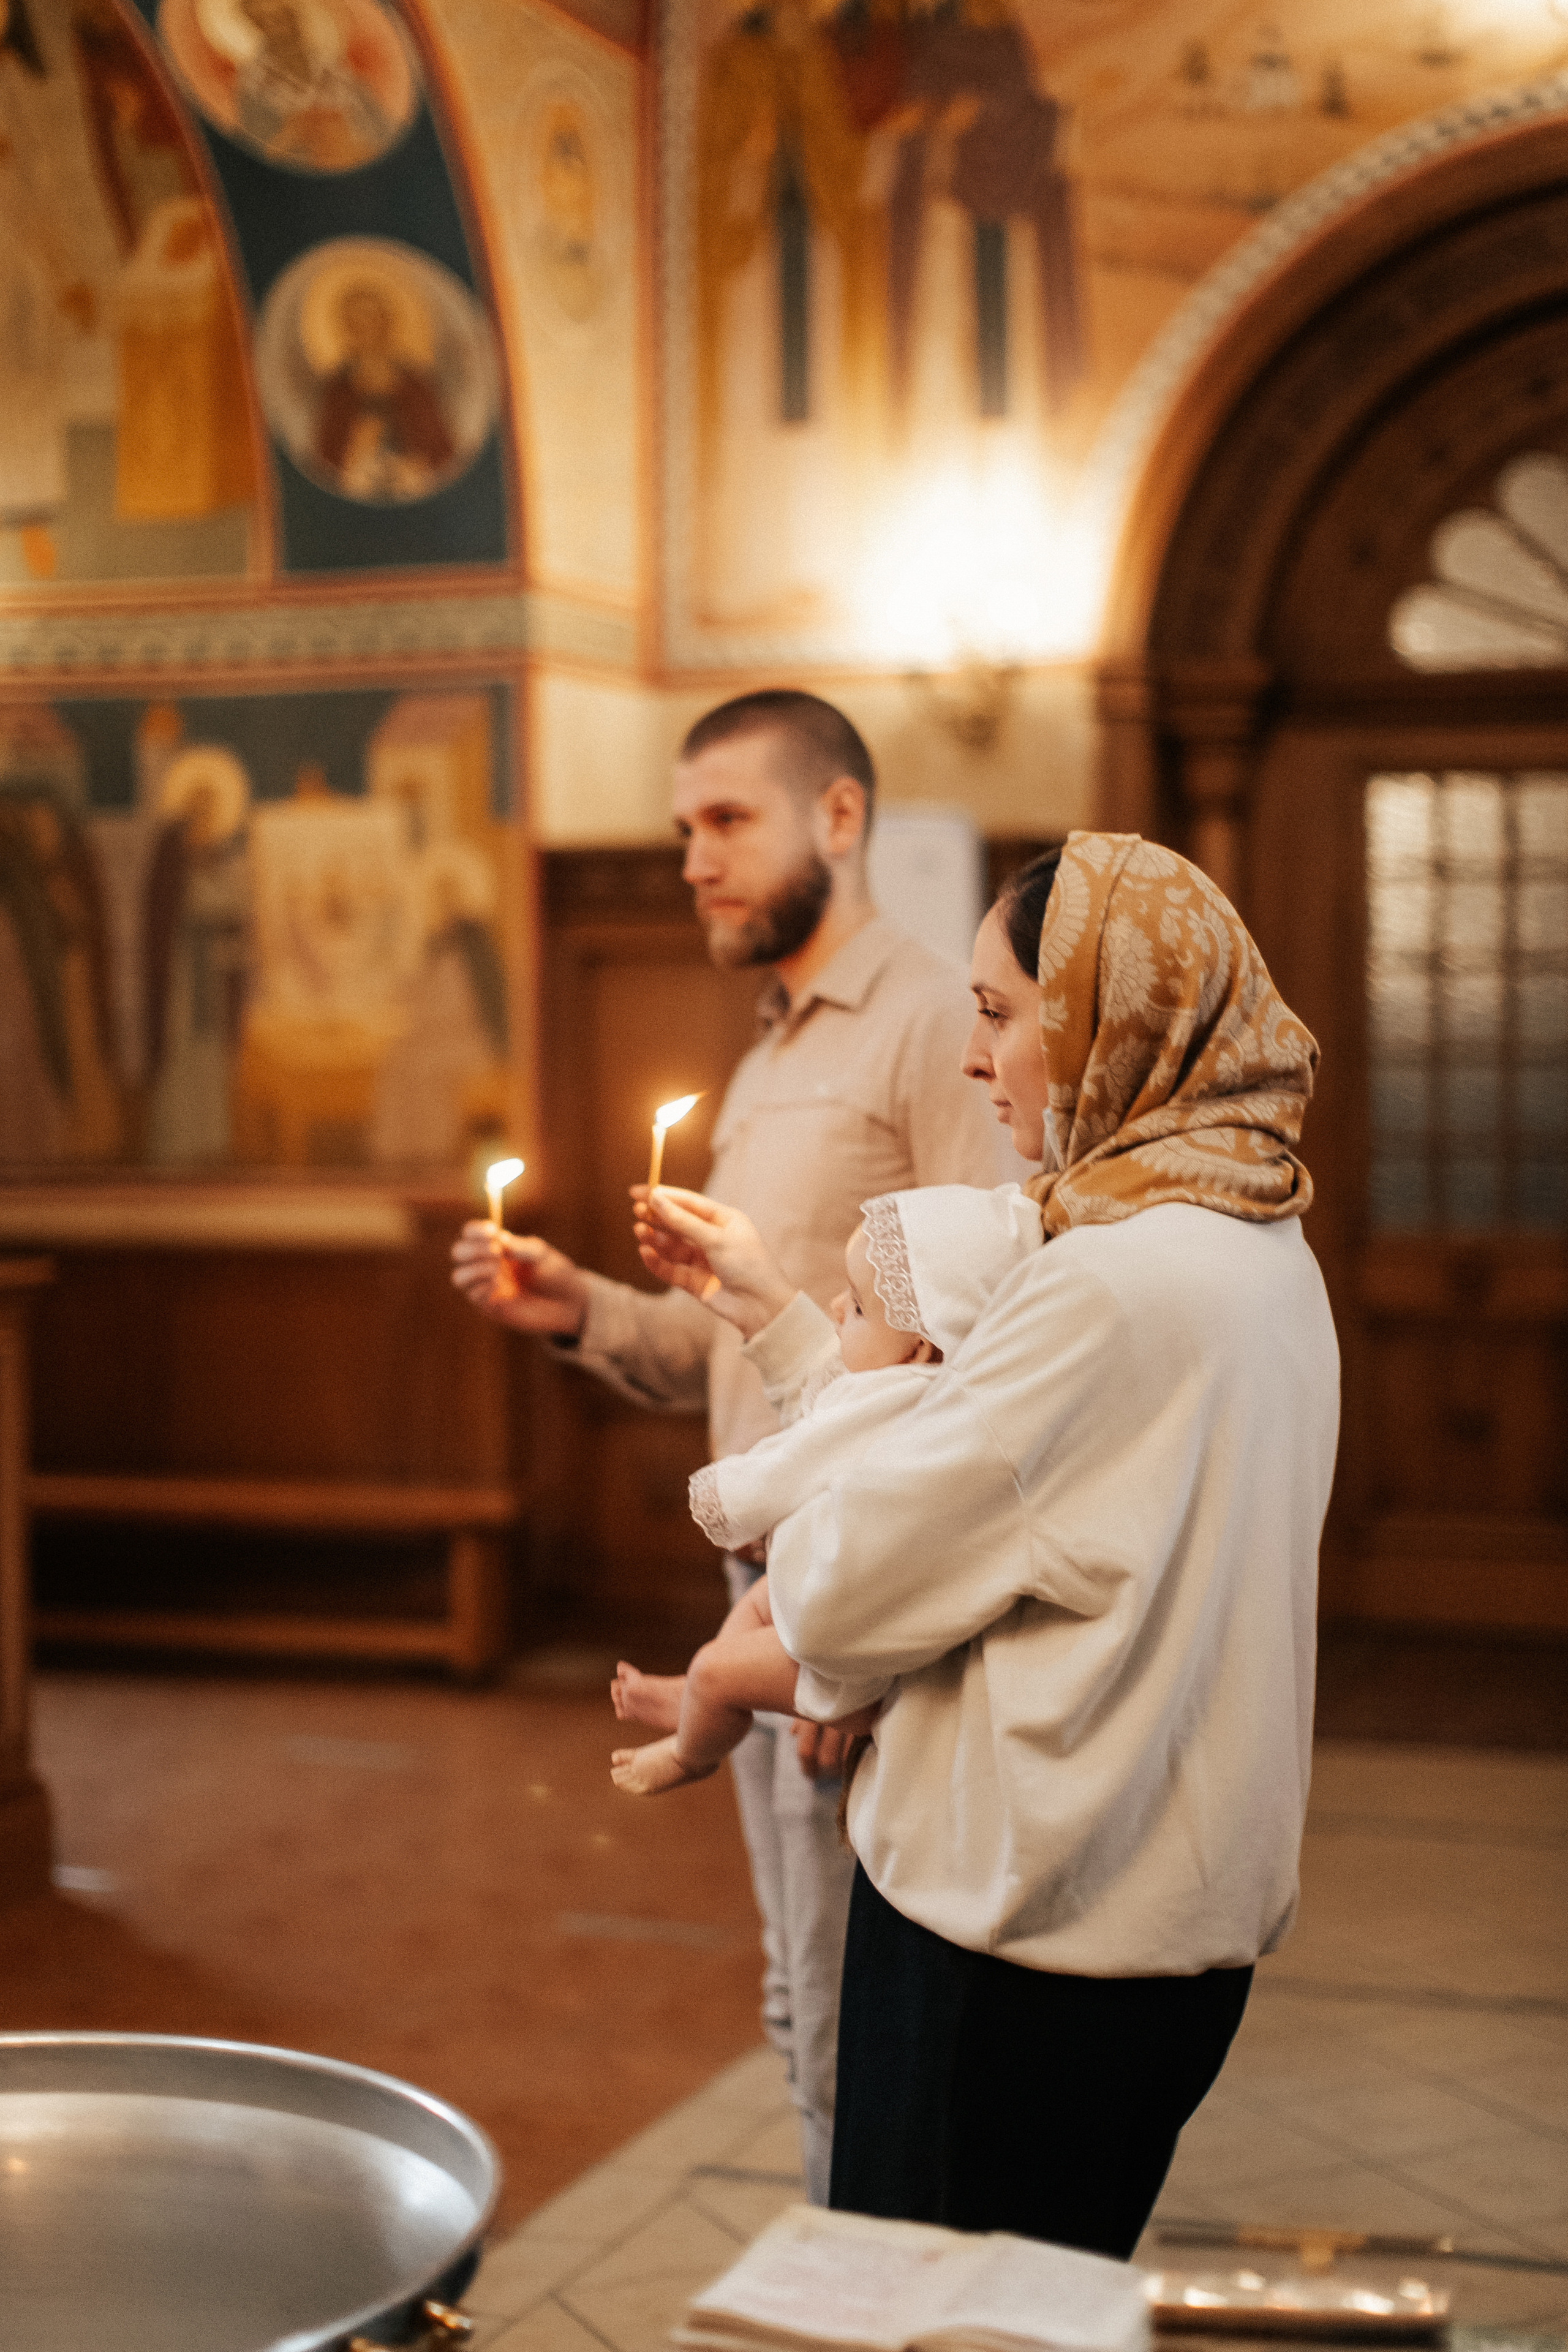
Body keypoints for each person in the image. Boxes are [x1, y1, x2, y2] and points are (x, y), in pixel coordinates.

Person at [631, 831, 1341, 2260]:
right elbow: (976, 1479)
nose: (975, 1057)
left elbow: (851, 1572)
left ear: (1106, 1017)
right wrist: (783, 1313)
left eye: (1002, 1010)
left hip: (1015, 1935)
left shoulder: (1104, 1286)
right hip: (1162, 1929)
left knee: (924, 2307)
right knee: (1034, 2297)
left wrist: (743, 1660)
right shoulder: (1255, 1239)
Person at [450, 690, 1014, 2204]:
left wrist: (863, 1640)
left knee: (852, 2035)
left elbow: (982, 1342)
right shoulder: (767, 1053)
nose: (689, 859)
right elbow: (742, 1350)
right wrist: (580, 1312)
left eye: (724, 821)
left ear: (837, 818)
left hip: (852, 1608)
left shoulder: (931, 1031)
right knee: (797, 2011)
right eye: (679, 826)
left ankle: (874, 2301)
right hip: (768, 1588)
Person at [610, 1183, 1041, 1796]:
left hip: (845, 1666)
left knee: (715, 1665)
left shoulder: (887, 1400)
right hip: (847, 1638)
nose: (837, 1307)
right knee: (752, 1612)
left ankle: (690, 1749)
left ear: (919, 1345)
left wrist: (731, 1503)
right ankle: (703, 1696)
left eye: (860, 1307)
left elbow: (788, 1465)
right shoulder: (928, 1390)